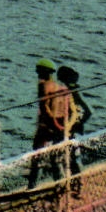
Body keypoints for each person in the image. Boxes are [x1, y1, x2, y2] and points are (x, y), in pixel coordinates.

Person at [29, 59, 72, 188]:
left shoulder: (43, 86)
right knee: (56, 157)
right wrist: (60, 125)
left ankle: (32, 186)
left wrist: (49, 124)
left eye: (39, 71)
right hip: (60, 124)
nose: (38, 75)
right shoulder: (61, 88)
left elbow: (44, 108)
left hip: (47, 125)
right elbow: (67, 109)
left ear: (44, 72)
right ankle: (59, 183)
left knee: (37, 156)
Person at [57, 65, 93, 191]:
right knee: (73, 157)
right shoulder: (74, 92)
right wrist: (79, 123)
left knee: (71, 157)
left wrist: (73, 125)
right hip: (74, 129)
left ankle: (76, 183)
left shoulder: (72, 93)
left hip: (71, 130)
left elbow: (88, 111)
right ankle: (76, 182)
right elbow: (88, 112)